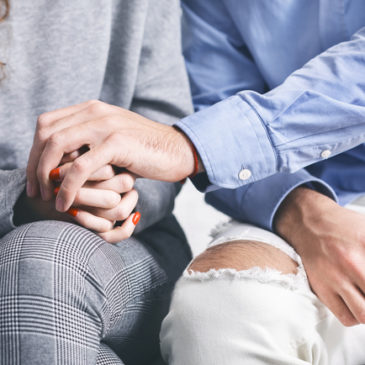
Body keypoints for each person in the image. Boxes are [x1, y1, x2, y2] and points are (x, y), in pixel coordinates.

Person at [28, 1, 365, 364]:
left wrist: (186, 145)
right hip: (296, 195)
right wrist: (303, 213)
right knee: (223, 308)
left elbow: (200, 134)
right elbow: (213, 103)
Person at [0, 1, 192, 364]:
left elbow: (169, 129)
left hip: (124, 246)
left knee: (45, 261)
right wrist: (26, 198)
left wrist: (111, 196)